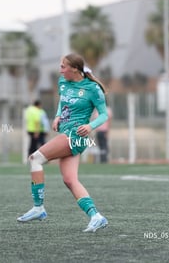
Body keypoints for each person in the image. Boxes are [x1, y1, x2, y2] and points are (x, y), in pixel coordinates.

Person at [17, 53, 109, 233]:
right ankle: (96, 216)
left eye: (63, 67)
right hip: (65, 132)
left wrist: (90, 126)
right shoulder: (63, 82)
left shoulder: (93, 89)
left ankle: (38, 208)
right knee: (70, 180)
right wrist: (58, 116)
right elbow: (62, 102)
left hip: (75, 135)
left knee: (35, 159)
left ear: (74, 69)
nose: (60, 70)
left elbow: (104, 114)